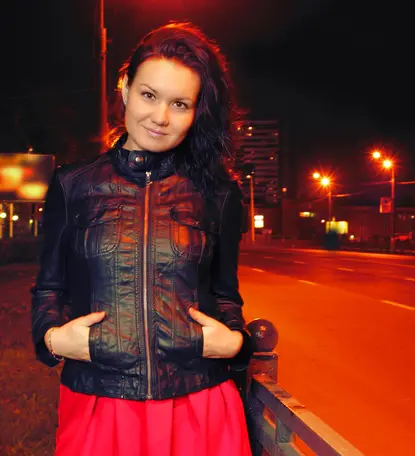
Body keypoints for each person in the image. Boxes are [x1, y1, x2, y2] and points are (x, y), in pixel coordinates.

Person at [30, 22, 253, 456]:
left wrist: (236, 341)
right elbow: (49, 288)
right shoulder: (72, 184)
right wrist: (53, 341)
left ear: (196, 113)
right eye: (149, 95)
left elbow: (226, 294)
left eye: (180, 103)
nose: (161, 117)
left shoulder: (219, 193)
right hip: (99, 402)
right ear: (126, 88)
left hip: (199, 403)